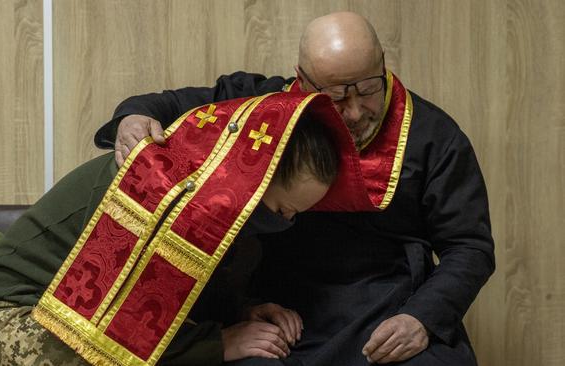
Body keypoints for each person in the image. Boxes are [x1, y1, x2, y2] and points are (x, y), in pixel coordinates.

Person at [94, 11, 495, 366]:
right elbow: (166, 104)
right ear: (302, 82)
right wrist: (133, 117)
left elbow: (469, 246)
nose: (355, 111)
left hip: (390, 304)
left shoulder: (433, 134)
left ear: (384, 65)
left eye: (369, 88)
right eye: (335, 96)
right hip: (279, 308)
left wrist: (422, 317)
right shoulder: (265, 102)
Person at [0, 98, 344, 365]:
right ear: (252, 184)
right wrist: (220, 343)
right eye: (281, 210)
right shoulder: (163, 193)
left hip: (83, 318)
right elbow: (127, 325)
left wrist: (243, 311)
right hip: (21, 316)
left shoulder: (207, 193)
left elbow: (187, 291)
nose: (284, 223)